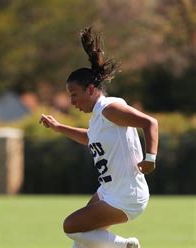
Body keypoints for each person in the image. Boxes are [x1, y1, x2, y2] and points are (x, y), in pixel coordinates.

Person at [39, 27, 158, 248]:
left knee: (71, 226)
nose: (72, 102)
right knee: (84, 238)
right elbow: (90, 139)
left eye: (74, 95)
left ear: (92, 89)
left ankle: (126, 246)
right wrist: (58, 127)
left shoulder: (108, 108)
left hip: (126, 194)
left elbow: (149, 122)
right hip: (109, 190)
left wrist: (150, 157)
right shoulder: (98, 117)